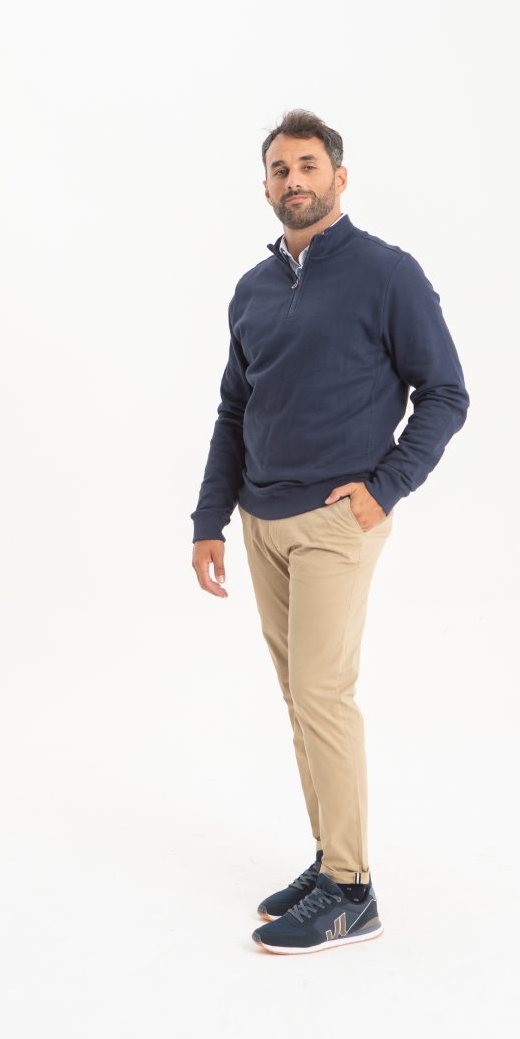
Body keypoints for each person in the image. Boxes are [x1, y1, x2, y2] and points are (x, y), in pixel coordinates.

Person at [191, 108, 470, 954]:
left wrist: (385, 489)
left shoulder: (387, 273)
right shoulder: (252, 289)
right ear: (266, 186)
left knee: (322, 694)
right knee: (300, 698)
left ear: (339, 178)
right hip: (261, 521)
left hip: (336, 521)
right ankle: (328, 860)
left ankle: (352, 889)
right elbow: (233, 410)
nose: (295, 180)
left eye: (309, 166)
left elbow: (446, 393)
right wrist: (210, 518)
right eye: (280, 169)